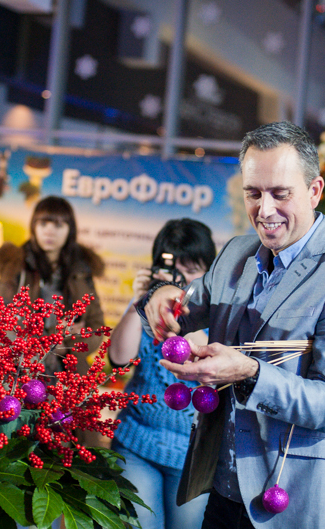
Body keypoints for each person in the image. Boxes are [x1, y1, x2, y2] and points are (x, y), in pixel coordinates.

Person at [139, 121, 325, 528]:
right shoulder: (237, 252)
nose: (265, 210)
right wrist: (160, 296)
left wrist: (249, 373)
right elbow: (183, 311)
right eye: (253, 193)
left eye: (280, 193)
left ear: (315, 191)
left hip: (297, 502)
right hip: (224, 491)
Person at [108, 218, 216, 529]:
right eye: (173, 270)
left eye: (191, 269)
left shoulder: (220, 311)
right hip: (137, 442)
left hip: (193, 456)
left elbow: (208, 363)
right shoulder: (149, 305)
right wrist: (140, 301)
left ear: (209, 271)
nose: (180, 279)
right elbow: (118, 358)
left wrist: (181, 311)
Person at [0, 195, 104, 376]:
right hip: (21, 371)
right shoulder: (16, 265)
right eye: (43, 224)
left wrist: (68, 345)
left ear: (70, 230)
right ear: (34, 227)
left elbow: (96, 326)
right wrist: (53, 340)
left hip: (68, 373)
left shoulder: (82, 270)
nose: (49, 232)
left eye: (58, 225)